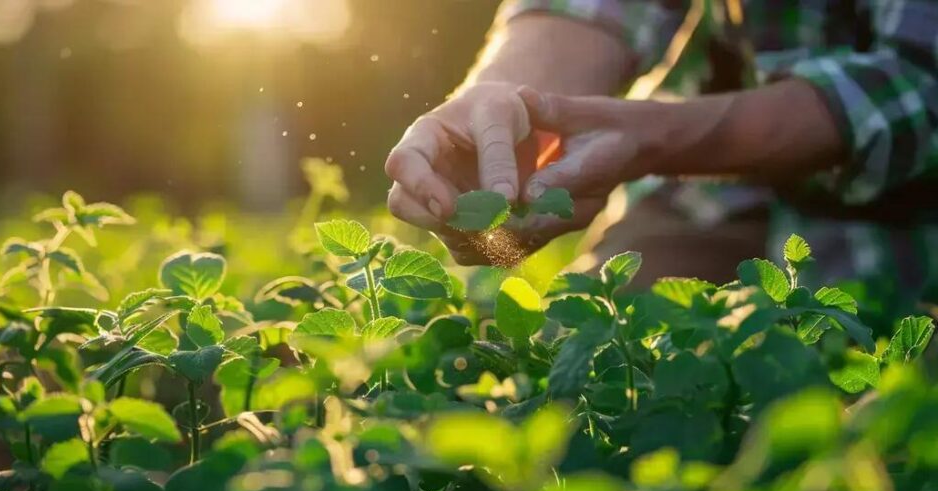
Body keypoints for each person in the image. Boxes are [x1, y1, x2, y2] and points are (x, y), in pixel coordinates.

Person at [385, 0, 938, 294]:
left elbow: (917, 81)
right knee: (587, 387)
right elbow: (590, 9)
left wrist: (654, 139)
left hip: (907, 226)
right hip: (712, 196)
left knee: (864, 467)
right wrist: (500, 106)